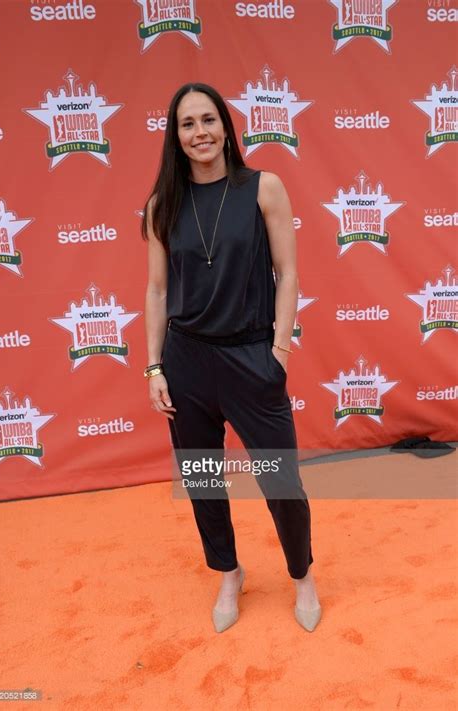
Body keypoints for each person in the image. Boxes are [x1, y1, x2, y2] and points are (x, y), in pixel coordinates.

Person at [142, 82, 321, 633]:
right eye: (187, 124)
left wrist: (279, 352)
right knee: (202, 479)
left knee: (280, 480)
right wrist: (153, 367)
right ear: (176, 137)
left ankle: (302, 576)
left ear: (226, 126)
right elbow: (156, 291)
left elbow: (288, 273)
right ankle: (228, 572)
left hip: (251, 358)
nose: (200, 133)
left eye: (208, 120)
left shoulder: (264, 187)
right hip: (187, 362)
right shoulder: (162, 205)